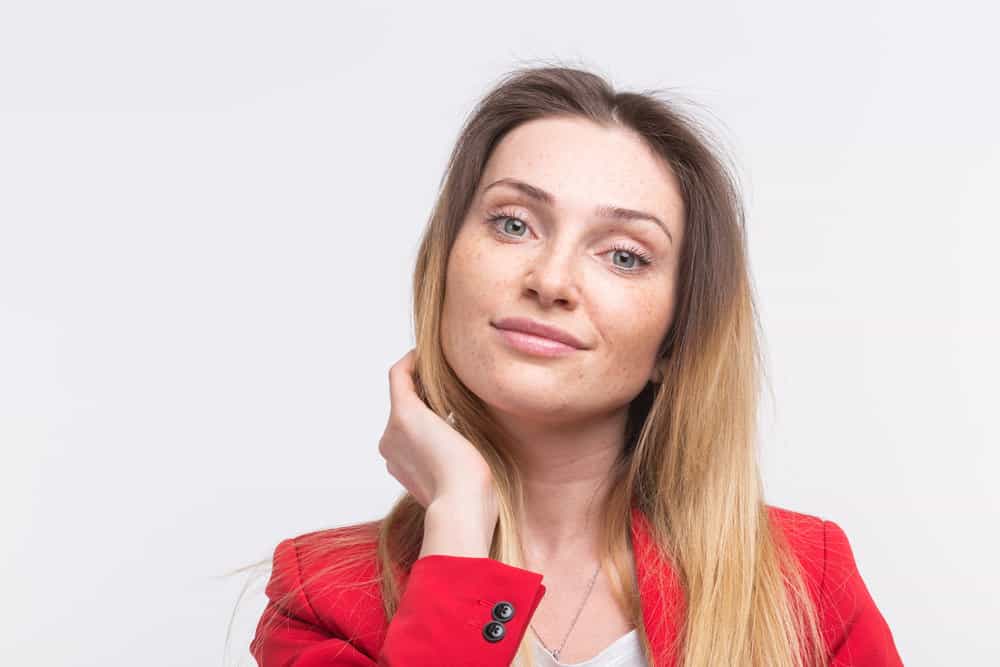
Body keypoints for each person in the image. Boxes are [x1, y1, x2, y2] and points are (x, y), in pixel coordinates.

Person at [248, 64, 903, 667]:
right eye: (512, 224)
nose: (551, 279)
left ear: (675, 339)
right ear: (445, 265)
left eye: (623, 255)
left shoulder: (804, 584)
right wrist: (457, 518)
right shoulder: (323, 594)